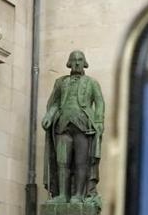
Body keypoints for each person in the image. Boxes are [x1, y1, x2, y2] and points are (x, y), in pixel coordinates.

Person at [42, 50, 105, 203]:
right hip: (63, 125)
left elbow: (100, 103)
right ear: (69, 63)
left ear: (85, 63)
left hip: (84, 126)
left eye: (80, 60)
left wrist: (98, 121)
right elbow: (54, 103)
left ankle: (78, 195)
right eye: (74, 60)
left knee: (81, 162)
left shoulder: (91, 82)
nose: (77, 63)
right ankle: (62, 195)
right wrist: (49, 115)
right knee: (62, 162)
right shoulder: (60, 82)